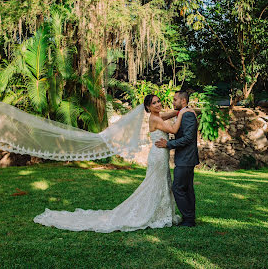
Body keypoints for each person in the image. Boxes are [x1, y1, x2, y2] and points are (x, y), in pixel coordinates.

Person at [33, 94, 195, 232]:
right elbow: (173, 130)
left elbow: (170, 114)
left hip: (160, 155)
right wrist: (182, 114)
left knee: (161, 183)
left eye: (159, 101)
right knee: (154, 183)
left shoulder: (158, 116)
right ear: (148, 107)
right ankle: (151, 212)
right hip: (158, 155)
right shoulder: (155, 118)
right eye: (154, 103)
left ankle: (162, 212)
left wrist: (182, 110)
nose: (159, 104)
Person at [155, 91, 199, 227]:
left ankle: (189, 218)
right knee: (186, 188)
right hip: (184, 158)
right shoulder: (183, 113)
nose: (173, 102)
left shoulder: (188, 115)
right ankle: (190, 217)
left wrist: (168, 144)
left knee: (178, 188)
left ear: (183, 101)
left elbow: (188, 138)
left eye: (175, 100)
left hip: (186, 158)